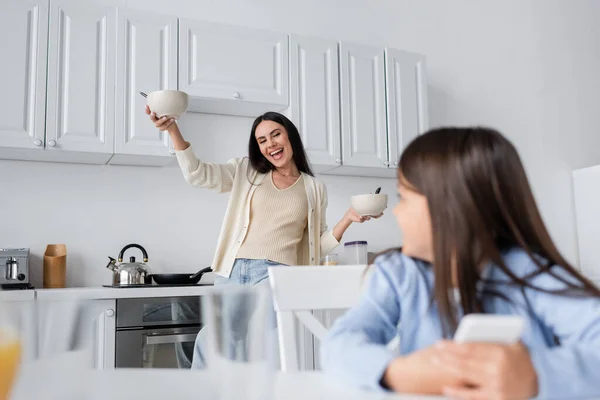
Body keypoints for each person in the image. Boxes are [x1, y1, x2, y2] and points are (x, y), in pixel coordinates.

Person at [321, 127, 600, 400]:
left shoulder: (528, 271)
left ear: (450, 209)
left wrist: (535, 376)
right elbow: (339, 344)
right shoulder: (399, 273)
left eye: (403, 198)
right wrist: (396, 372)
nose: (396, 210)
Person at [146, 108, 380, 368]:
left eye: (276, 135)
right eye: (262, 141)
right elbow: (198, 174)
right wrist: (172, 130)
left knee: (260, 347)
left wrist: (347, 218)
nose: (271, 144)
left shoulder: (313, 188)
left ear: (290, 136)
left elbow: (317, 247)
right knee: (211, 343)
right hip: (232, 271)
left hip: (276, 275)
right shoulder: (246, 171)